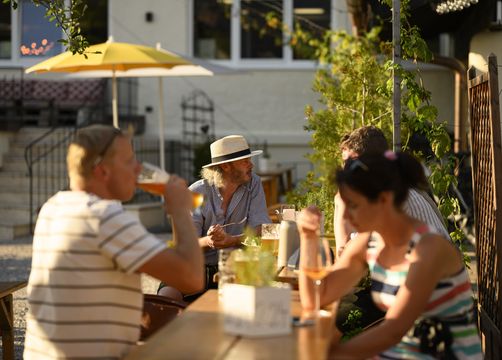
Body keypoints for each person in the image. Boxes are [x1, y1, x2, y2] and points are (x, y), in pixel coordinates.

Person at [23, 125, 204, 359]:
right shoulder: (104, 217)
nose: (138, 169)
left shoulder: (54, 207)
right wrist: (180, 211)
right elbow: (191, 279)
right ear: (102, 170)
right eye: (130, 161)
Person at [298, 152, 482, 359]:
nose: (346, 216)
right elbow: (316, 297)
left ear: (384, 199)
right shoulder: (369, 243)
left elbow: (394, 329)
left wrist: (330, 355)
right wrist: (308, 237)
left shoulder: (428, 248)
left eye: (353, 205)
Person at [158, 135, 271, 301]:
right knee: (166, 299)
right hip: (196, 267)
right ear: (226, 166)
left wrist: (232, 240)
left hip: (236, 267)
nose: (251, 165)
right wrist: (210, 240)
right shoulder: (196, 192)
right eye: (245, 161)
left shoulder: (253, 183)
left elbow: (262, 230)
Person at [334, 125, 450, 258]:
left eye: (350, 165)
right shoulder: (391, 188)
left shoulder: (388, 197)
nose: (346, 171)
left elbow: (345, 254)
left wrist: (341, 203)